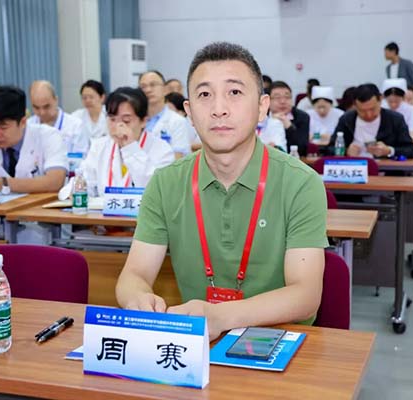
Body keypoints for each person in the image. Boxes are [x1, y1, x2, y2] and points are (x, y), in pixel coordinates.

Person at [116, 42, 328, 340]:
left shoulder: (301, 183)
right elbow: (133, 275)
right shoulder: (166, 183)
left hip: (281, 342)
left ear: (262, 107)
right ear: (189, 111)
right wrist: (139, 298)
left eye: (235, 92)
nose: (219, 109)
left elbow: (305, 295)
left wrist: (221, 316)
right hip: (196, 344)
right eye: (204, 95)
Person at [61, 87, 174, 197]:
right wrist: (74, 189)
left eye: (126, 120)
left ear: (144, 121)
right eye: (112, 119)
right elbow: (84, 181)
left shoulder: (162, 149)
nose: (118, 126)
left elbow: (157, 190)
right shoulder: (99, 146)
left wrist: (130, 147)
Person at [328, 83, 413, 159]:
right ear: (355, 105)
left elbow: (410, 150)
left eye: (372, 109)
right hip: (353, 167)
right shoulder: (347, 119)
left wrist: (389, 151)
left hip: (385, 169)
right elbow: (329, 149)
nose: (368, 115)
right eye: (362, 111)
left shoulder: (395, 119)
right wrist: (346, 151)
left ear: (380, 100)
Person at [28, 80, 90, 154]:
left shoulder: (75, 126)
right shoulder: (28, 126)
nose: (42, 112)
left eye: (46, 107)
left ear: (56, 100)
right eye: (36, 107)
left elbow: (81, 157)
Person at [139, 71, 192, 157]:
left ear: (164, 89)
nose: (148, 90)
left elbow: (178, 158)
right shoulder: (135, 121)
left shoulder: (178, 121)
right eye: (143, 86)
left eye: (153, 85)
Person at [269, 81, 310, 156]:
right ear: (268, 100)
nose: (282, 101)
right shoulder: (260, 116)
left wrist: (289, 127)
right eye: (277, 97)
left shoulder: (302, 117)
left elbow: (302, 149)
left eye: (287, 97)